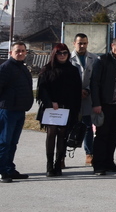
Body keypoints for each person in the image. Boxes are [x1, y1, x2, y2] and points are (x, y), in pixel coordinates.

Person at [36, 44, 81, 177]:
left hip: (67, 108)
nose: (62, 55)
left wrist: (74, 109)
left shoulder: (72, 70)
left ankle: (58, 163)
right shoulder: (47, 69)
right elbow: (42, 89)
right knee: (51, 134)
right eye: (59, 53)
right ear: (54, 54)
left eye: (65, 53)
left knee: (62, 135)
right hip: (51, 108)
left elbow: (76, 91)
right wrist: (50, 102)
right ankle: (49, 165)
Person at [91, 36, 116, 175]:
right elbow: (94, 83)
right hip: (105, 103)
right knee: (102, 135)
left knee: (114, 134)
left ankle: (109, 162)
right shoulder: (102, 60)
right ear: (112, 45)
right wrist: (96, 103)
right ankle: (98, 164)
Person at [0, 41, 33, 182]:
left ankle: (9, 168)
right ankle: (2, 171)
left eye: (22, 51)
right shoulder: (6, 68)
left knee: (13, 142)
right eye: (17, 51)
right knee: (4, 142)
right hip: (8, 110)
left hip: (19, 110)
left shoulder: (22, 67)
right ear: (10, 53)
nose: (20, 53)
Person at [69, 33, 99, 165]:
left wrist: (87, 90)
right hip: (71, 98)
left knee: (87, 126)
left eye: (85, 43)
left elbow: (96, 79)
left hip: (87, 96)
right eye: (80, 43)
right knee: (68, 126)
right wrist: (76, 91)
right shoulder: (67, 58)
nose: (82, 45)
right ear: (74, 43)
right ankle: (62, 155)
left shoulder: (94, 58)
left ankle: (89, 153)